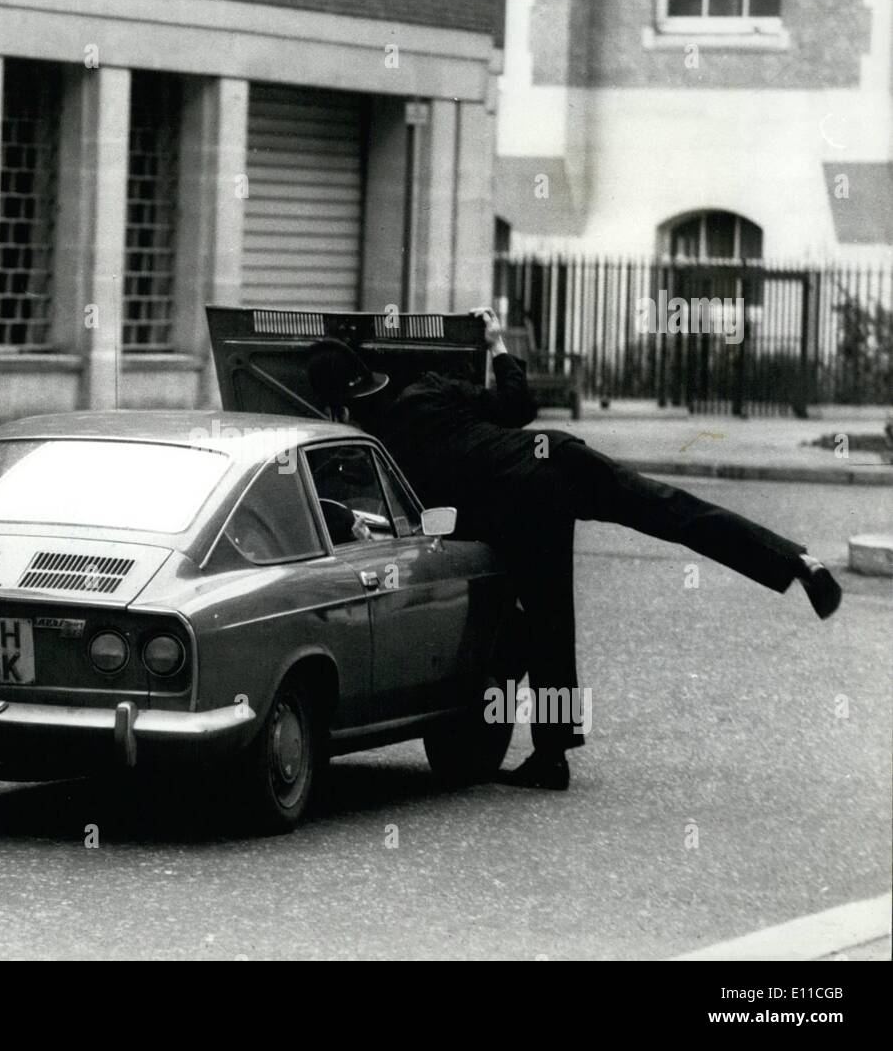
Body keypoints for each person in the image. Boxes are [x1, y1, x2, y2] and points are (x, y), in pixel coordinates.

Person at [306, 313, 842, 791]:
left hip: (525, 503)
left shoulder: (378, 449)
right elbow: (519, 405)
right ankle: (795, 561)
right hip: (560, 455)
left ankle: (552, 756)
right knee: (673, 508)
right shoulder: (428, 389)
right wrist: (495, 345)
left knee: (548, 623)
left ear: (338, 405)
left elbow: (422, 518)